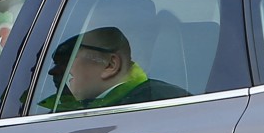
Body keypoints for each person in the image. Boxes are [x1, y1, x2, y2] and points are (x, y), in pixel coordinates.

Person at [44, 26, 188, 111]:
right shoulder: (78, 107)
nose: (52, 71)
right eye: (56, 63)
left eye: (67, 61)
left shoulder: (156, 105)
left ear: (110, 65)